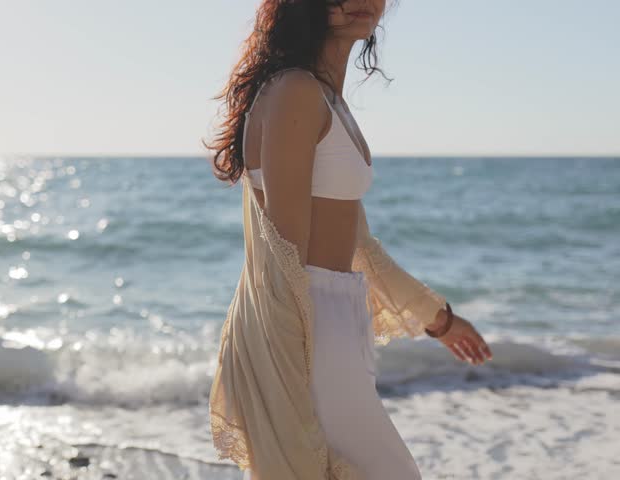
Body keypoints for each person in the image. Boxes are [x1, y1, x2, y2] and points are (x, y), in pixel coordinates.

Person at [204, 1, 493, 478]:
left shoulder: (326, 100)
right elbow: (285, 252)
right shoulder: (295, 91)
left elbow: (362, 247)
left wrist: (439, 320)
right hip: (305, 328)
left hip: (338, 317)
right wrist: (287, 369)